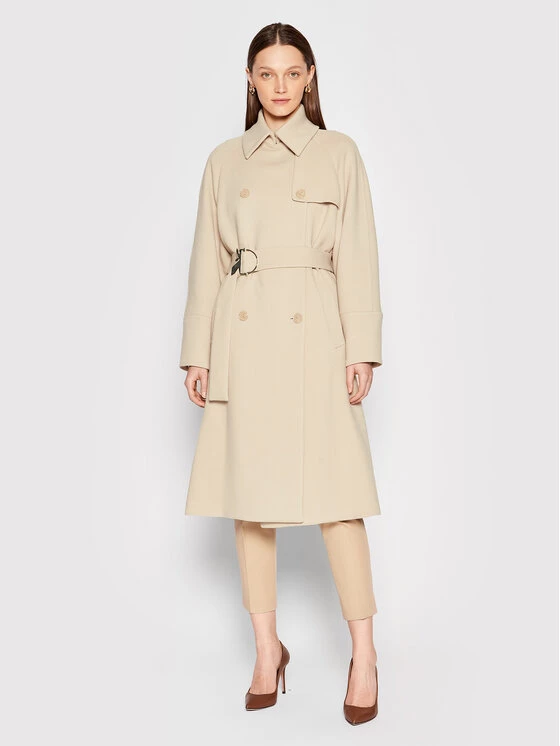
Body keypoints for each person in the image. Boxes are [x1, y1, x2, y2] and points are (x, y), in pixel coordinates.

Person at [179, 22, 384, 726]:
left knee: (339, 498)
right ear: (250, 80)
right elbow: (207, 261)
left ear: (311, 76)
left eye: (292, 73)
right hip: (242, 337)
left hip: (317, 339)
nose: (280, 86)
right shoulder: (224, 161)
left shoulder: (338, 153)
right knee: (250, 502)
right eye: (266, 74)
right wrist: (198, 352)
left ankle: (364, 654)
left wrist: (362, 348)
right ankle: (267, 650)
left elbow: (358, 255)